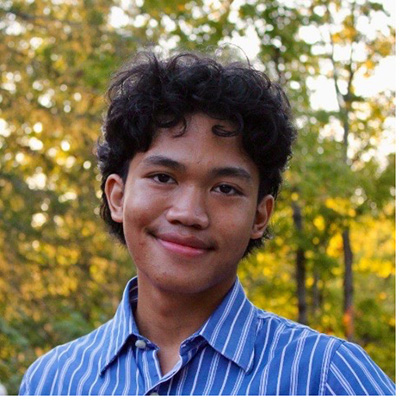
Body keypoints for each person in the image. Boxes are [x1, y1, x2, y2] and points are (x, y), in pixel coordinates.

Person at [19, 51, 395, 396]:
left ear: (260, 216)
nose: (189, 213)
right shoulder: (54, 380)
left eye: (226, 188)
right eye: (163, 177)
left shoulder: (326, 376)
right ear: (117, 196)